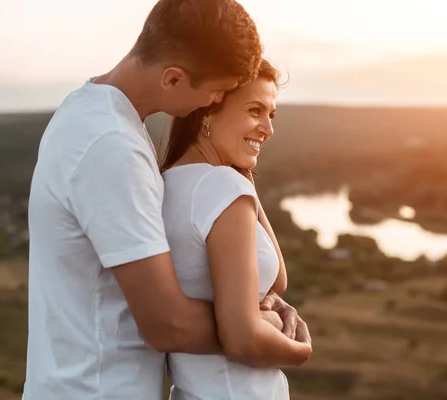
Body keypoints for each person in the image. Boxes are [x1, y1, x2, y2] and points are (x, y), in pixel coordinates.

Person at [23, 0, 311, 399]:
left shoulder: (94, 113)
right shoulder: (111, 145)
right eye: (217, 91)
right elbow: (167, 325)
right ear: (174, 79)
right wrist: (259, 326)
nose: (213, 103)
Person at [161, 59, 310, 400]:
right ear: (207, 110)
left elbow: (276, 281)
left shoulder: (166, 184)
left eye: (271, 115)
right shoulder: (222, 187)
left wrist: (242, 174)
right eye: (255, 110)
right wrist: (300, 351)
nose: (267, 129)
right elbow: (243, 339)